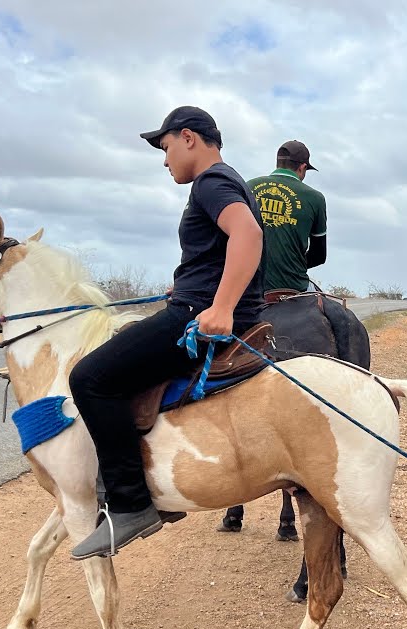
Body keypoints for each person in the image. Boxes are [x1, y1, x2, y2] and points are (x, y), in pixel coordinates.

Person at [68, 106, 265, 559]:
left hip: (194, 315)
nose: (164, 159)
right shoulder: (229, 181)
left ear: (188, 138)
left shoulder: (211, 182)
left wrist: (221, 307)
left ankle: (130, 504)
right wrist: (194, 280)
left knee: (89, 378)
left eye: (166, 146)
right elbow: (225, 247)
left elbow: (248, 235)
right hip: (196, 300)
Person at [248, 140, 327, 296]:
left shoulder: (248, 186)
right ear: (302, 167)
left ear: (278, 163)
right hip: (294, 285)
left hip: (248, 285)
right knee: (327, 304)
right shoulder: (315, 198)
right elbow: (319, 256)